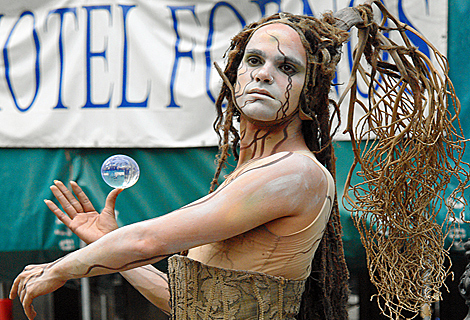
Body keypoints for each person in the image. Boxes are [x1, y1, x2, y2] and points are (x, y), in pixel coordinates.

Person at [10, 12, 350, 320]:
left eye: (287, 68)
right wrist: (108, 240)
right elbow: (189, 305)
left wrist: (59, 268)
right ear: (234, 75)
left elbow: (149, 241)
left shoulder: (296, 173)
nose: (264, 74)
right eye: (255, 60)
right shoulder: (249, 172)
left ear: (311, 91)